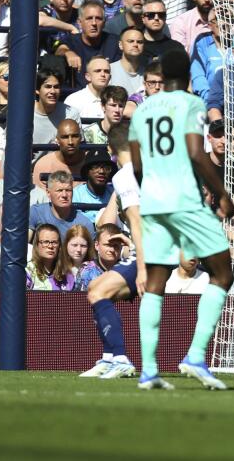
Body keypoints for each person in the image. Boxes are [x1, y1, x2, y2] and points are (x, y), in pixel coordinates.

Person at [128, 50, 234, 391]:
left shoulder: (142, 109)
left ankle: (148, 370)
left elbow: (138, 165)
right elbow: (195, 152)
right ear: (188, 75)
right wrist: (221, 193)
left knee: (155, 283)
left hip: (153, 202)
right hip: (185, 201)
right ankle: (195, 355)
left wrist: (154, 192)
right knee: (222, 272)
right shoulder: (190, 104)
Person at [81, 123, 144, 379]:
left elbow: (138, 221)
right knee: (97, 290)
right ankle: (109, 357)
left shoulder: (124, 176)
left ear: (111, 149)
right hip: (156, 247)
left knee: (98, 290)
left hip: (151, 253)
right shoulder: (148, 172)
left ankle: (119, 358)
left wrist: (141, 266)